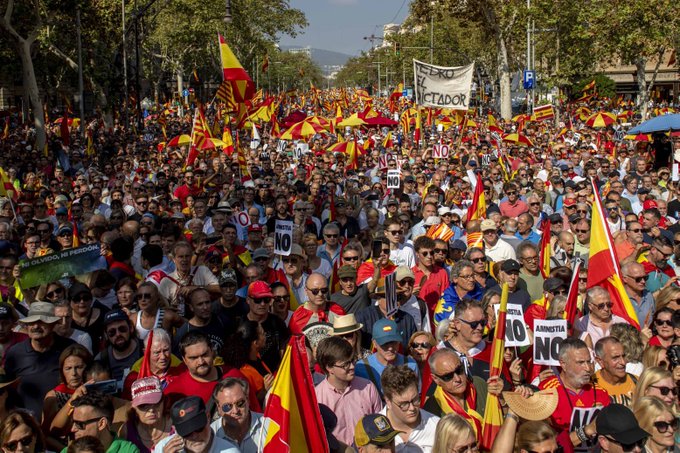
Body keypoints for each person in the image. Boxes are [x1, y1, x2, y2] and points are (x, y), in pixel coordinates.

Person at [5, 301, 75, 418]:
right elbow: (7, 392)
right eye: (32, 322)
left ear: (53, 324)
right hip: (27, 427)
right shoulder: (15, 353)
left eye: (41, 322)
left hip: (65, 425)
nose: (36, 326)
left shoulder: (70, 350)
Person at [539, 338, 610, 449]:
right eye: (580, 363)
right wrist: (586, 431)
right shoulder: (545, 392)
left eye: (588, 362)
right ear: (563, 364)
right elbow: (547, 445)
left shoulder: (601, 392)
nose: (588, 368)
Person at [315, 336, 382, 446]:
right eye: (345, 364)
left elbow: (379, 424)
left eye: (352, 360)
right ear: (329, 368)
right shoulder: (317, 398)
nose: (352, 366)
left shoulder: (367, 387)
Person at [42, 344, 93, 450]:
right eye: (68, 368)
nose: (73, 373)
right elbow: (45, 436)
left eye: (79, 367)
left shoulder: (94, 391)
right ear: (62, 371)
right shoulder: (54, 396)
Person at [379, 365, 439, 452]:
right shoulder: (372, 431)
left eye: (415, 399)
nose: (412, 408)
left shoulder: (437, 427)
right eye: (404, 404)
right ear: (388, 401)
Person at [354, 319, 419, 398]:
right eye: (385, 343)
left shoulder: (410, 364)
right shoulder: (361, 368)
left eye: (394, 342)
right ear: (374, 343)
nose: (390, 348)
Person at [153, 396, 239, 453]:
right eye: (187, 432)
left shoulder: (229, 451)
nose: (194, 436)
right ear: (176, 430)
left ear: (208, 417)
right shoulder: (162, 448)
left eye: (199, 428)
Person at [65, 391, 140, 453]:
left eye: (80, 424)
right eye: (73, 423)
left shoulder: (128, 451)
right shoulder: (69, 451)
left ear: (102, 424)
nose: (73, 429)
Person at [355, 279, 417, 351]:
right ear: (378, 299)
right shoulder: (363, 317)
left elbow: (411, 347)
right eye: (389, 297)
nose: (394, 300)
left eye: (397, 297)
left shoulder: (408, 319)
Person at [118, 377, 173, 453]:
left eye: (156, 403)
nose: (151, 410)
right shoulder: (127, 430)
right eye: (143, 405)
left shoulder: (176, 425)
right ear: (134, 407)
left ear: (164, 401)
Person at [210, 378, 263, 453]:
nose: (235, 411)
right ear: (218, 407)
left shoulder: (269, 425)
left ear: (248, 400)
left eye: (240, 403)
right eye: (227, 406)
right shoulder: (211, 435)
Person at [96, 309, 143, 390]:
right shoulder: (101, 359)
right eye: (112, 332)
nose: (118, 334)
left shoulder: (145, 350)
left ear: (131, 328)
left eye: (122, 329)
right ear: (106, 335)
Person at [434, 260, 483, 327]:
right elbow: (439, 323)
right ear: (455, 279)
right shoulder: (447, 298)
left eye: (472, 276)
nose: (471, 279)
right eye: (466, 277)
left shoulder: (481, 296)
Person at [593, 337, 636, 407]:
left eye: (623, 356)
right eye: (615, 358)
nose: (623, 362)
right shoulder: (590, 387)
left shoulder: (637, 382)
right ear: (600, 362)